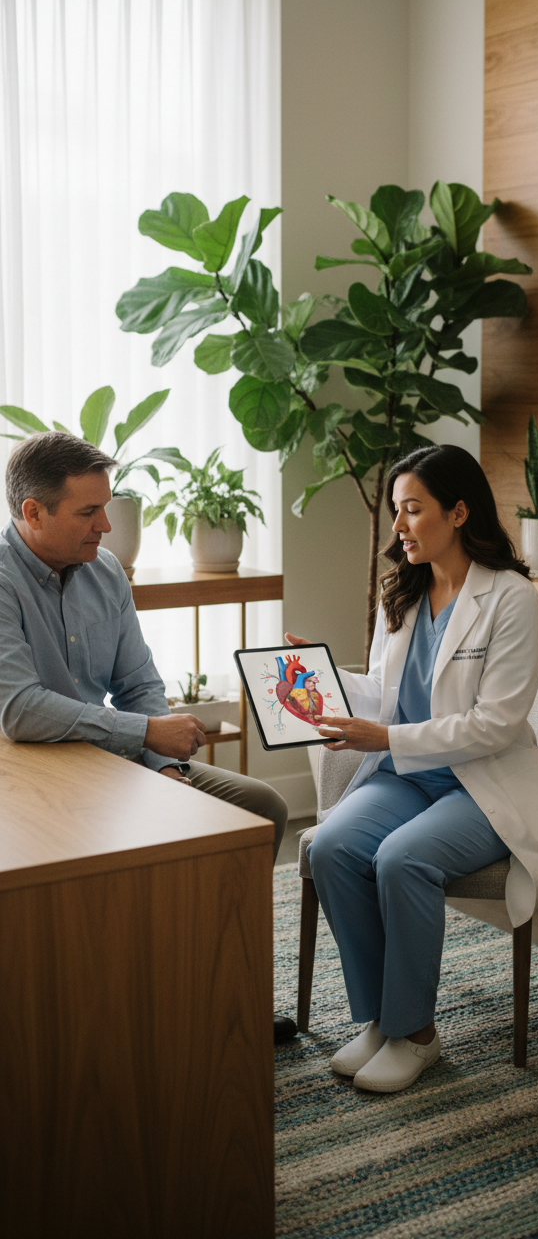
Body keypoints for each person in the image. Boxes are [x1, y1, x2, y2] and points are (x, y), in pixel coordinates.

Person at [287, 444, 538, 1092]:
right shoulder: (406, 592)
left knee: (402, 859)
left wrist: (383, 734)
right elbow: (389, 694)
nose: (399, 527)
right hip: (405, 776)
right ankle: (383, 1019)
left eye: (413, 510)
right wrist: (325, 679)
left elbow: (496, 723)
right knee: (329, 847)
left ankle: (418, 1035)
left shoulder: (512, 599)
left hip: (483, 782)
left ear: (460, 511)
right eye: (395, 512)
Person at [0, 431, 296, 1042]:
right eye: (88, 512)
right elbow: (20, 710)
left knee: (261, 810)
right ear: (33, 513)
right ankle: (126, 1003)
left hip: (114, 762)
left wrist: (164, 765)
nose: (105, 526)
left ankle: (218, 986)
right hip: (30, 779)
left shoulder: (105, 571)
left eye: (106, 508)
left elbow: (138, 681)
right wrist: (145, 734)